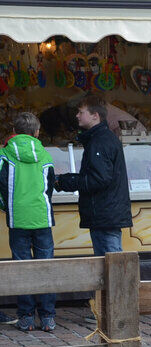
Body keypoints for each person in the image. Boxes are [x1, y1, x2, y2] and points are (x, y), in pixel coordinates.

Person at [54, 95, 132, 258]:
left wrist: (66, 181)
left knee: (110, 260)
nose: (77, 115)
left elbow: (99, 178)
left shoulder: (100, 142)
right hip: (106, 213)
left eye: (81, 112)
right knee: (110, 258)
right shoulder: (101, 138)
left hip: (104, 213)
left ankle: (118, 285)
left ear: (95, 116)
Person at [0, 112, 57, 332]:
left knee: (22, 267)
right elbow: (49, 186)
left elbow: (2, 186)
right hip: (42, 218)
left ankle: (26, 317)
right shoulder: (45, 155)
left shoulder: (4, 154)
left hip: (18, 219)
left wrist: (7, 206)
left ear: (14, 131)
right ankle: (48, 317)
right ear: (37, 132)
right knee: (46, 267)